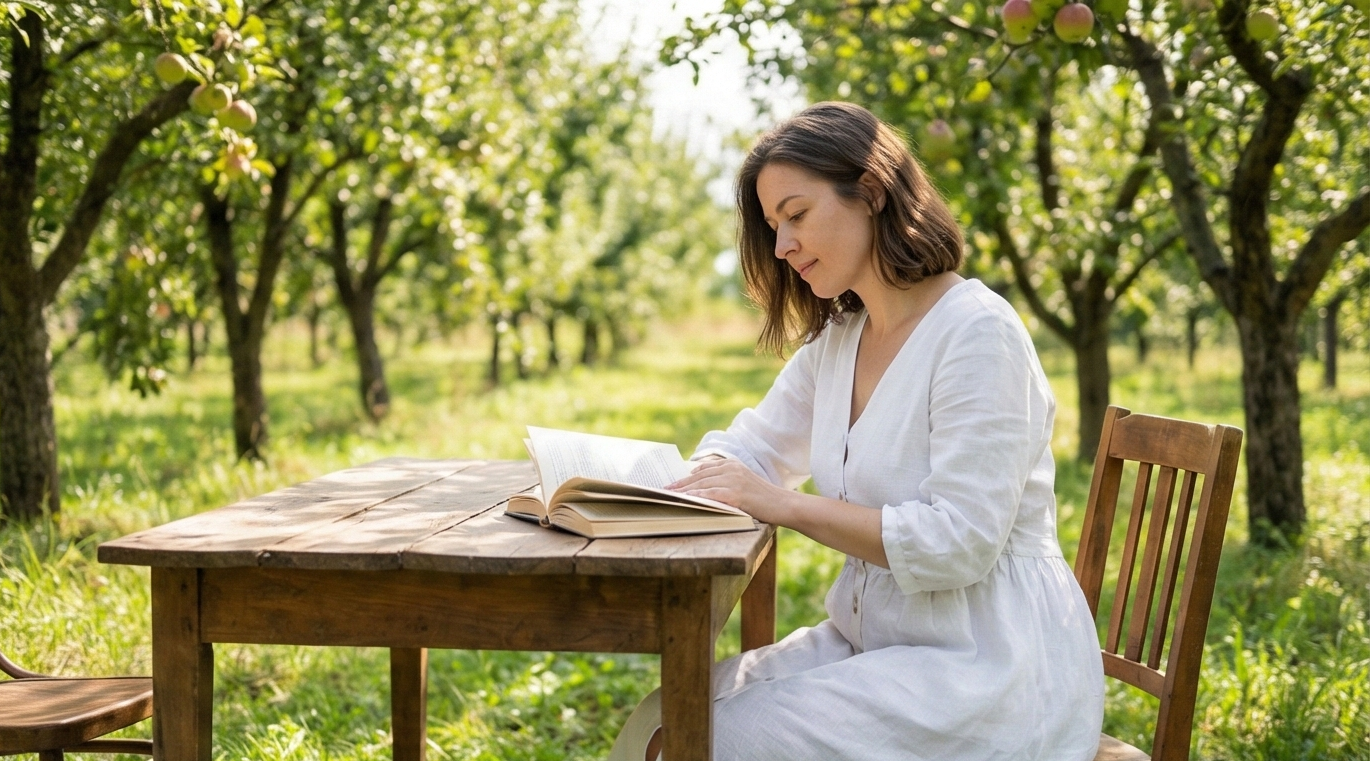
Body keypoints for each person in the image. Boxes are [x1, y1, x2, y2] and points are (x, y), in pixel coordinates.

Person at [607, 101, 1104, 761]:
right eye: (773, 225)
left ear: (869, 193)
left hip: (985, 667)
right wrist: (658, 488)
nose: (782, 246)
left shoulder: (979, 335)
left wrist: (780, 503)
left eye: (796, 215)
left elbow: (958, 541)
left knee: (703, 739)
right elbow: (753, 444)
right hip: (875, 644)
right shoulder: (842, 340)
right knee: (662, 714)